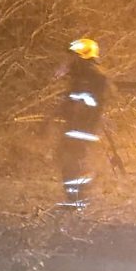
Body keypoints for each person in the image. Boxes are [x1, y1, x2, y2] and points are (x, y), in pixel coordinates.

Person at [54, 38, 109, 209]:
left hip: (84, 127)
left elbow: (95, 101)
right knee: (70, 162)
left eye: (75, 56)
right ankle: (74, 199)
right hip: (76, 126)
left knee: (77, 162)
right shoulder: (83, 75)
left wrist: (76, 104)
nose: (71, 60)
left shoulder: (95, 76)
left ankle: (79, 200)